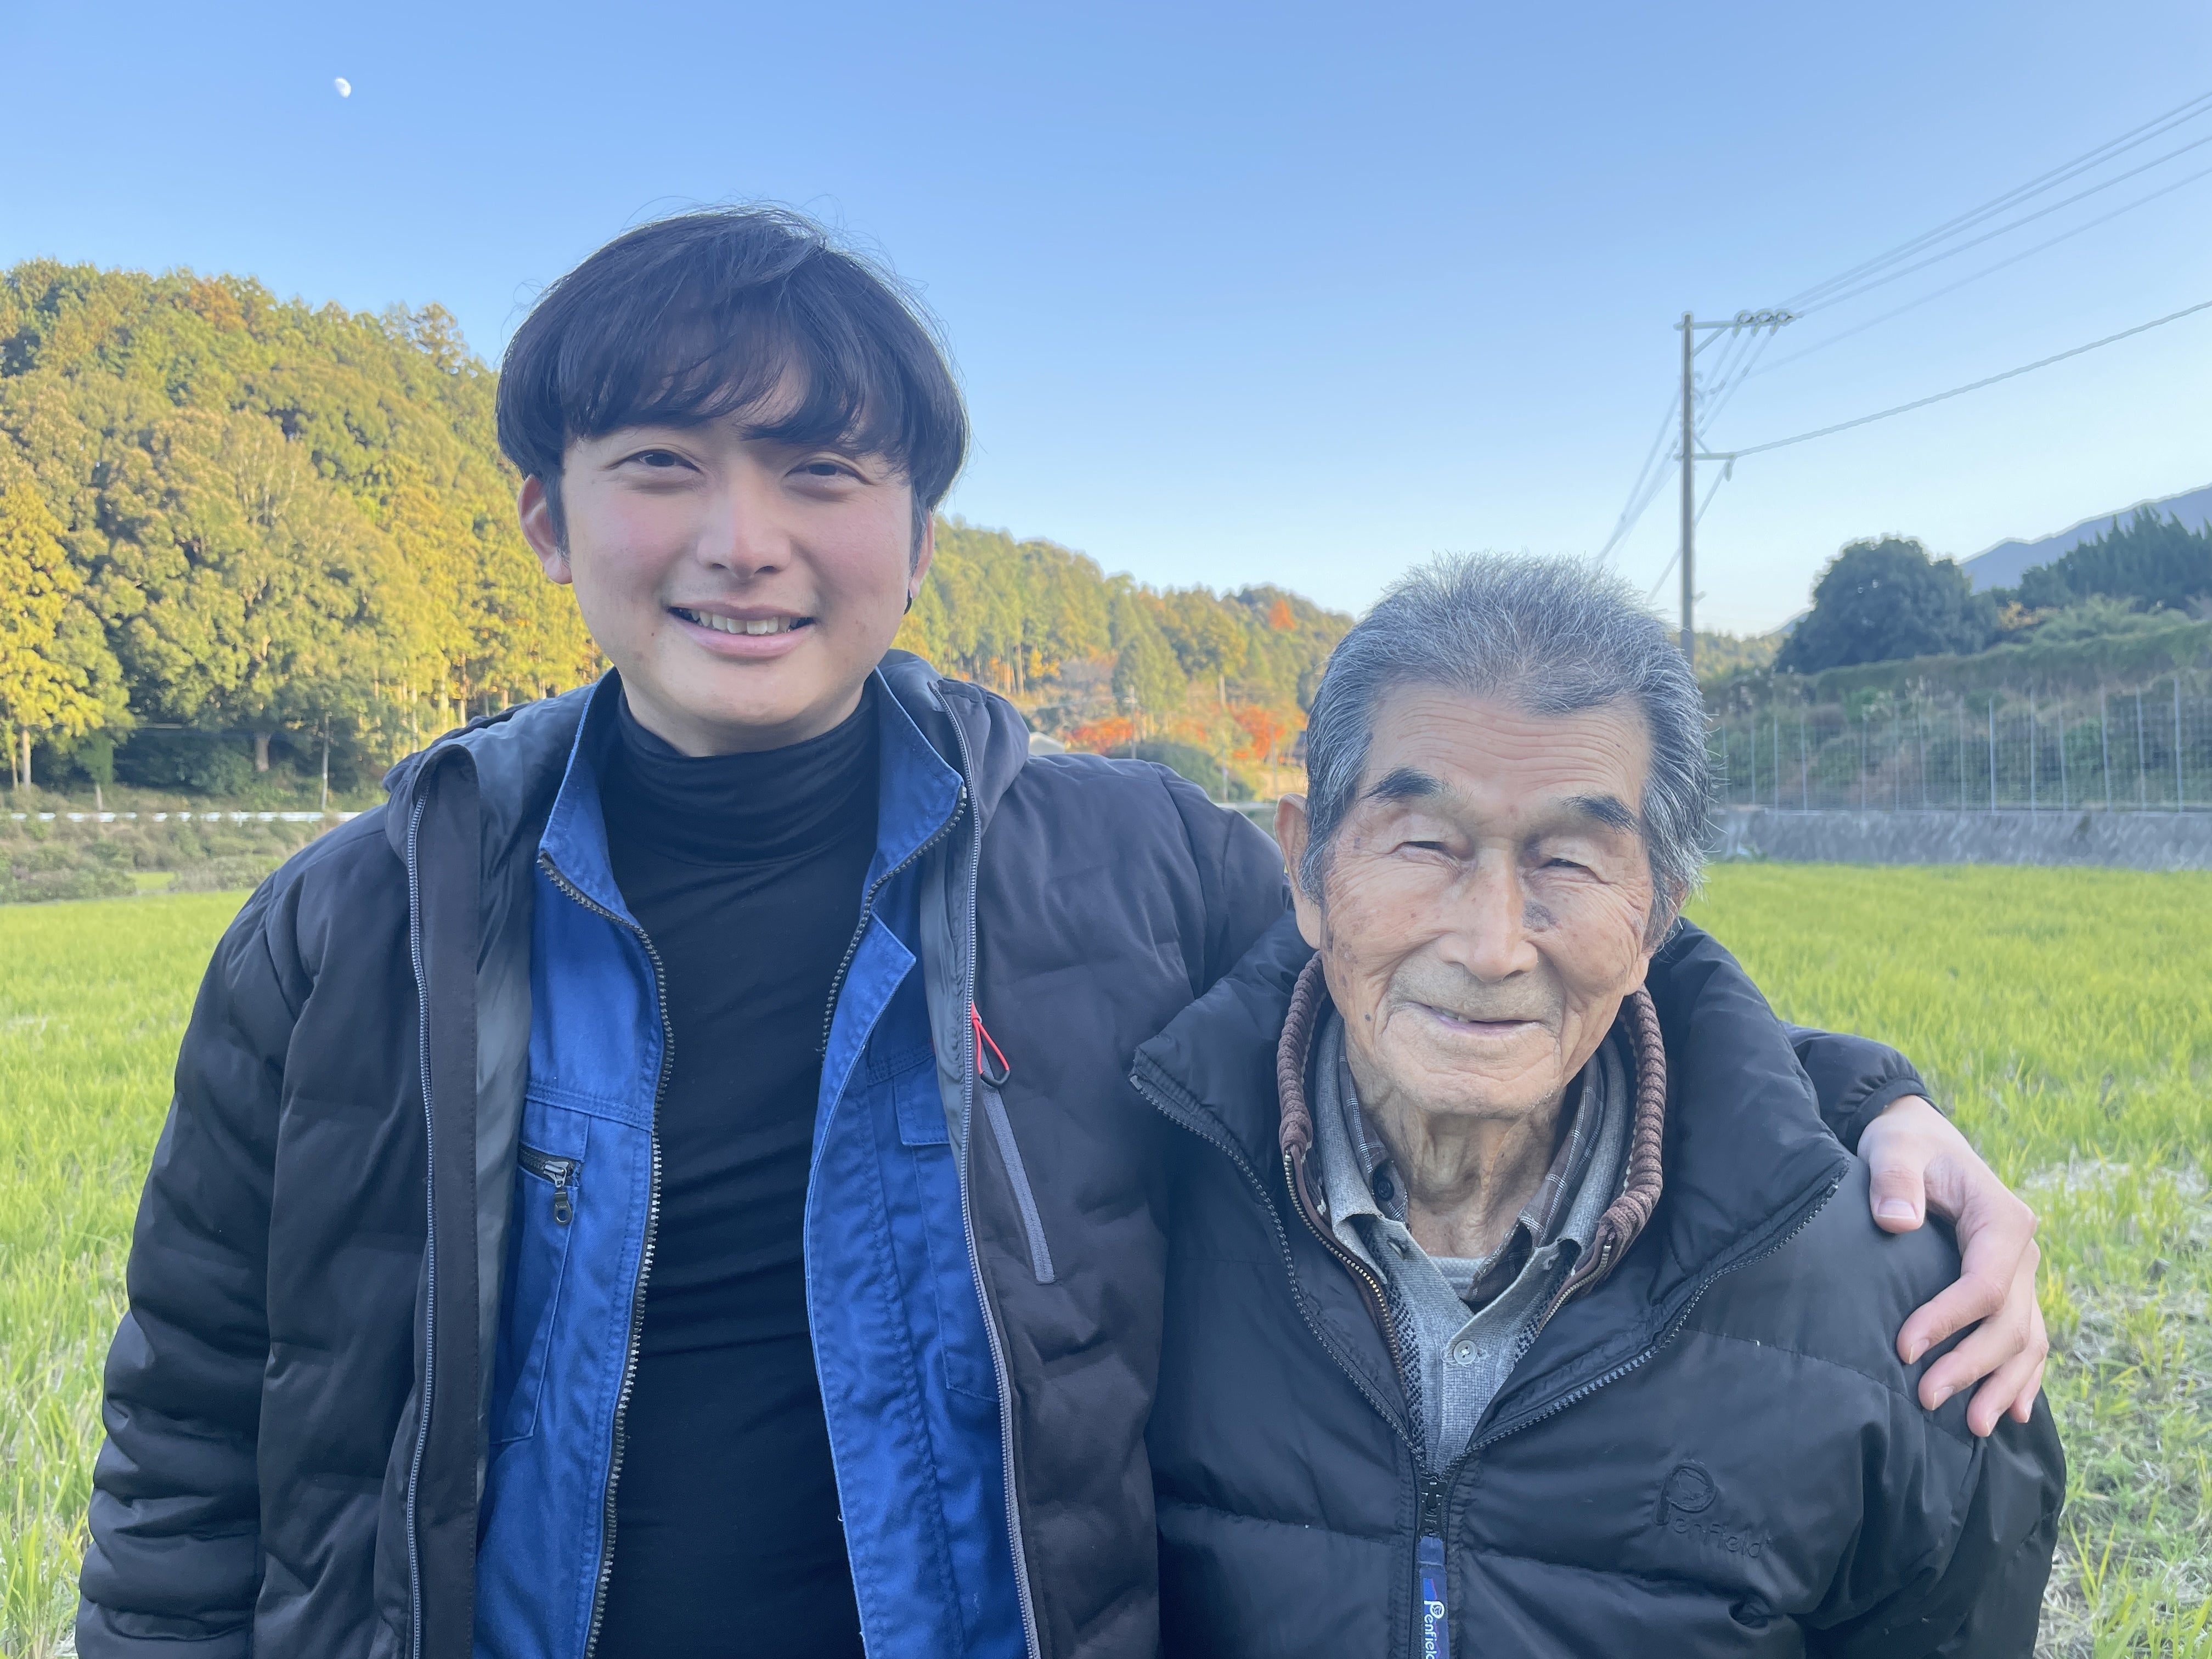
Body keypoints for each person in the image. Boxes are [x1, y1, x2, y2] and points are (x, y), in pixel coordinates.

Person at [78, 209, 2048, 1659]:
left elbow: (1451, 943)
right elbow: (186, 1446)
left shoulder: (1123, 865)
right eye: (662, 466)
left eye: (820, 474)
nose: (743, 540)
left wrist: (1860, 1100)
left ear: (917, 536)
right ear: (546, 515)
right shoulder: (352, 932)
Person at [1137, 555, 2064, 1657]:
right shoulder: (1133, 1202)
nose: (1491, 946)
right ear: (1306, 871)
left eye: (1569, 861)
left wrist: (1877, 1100)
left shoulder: (1903, 1313)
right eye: (1424, 843)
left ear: (1655, 918)